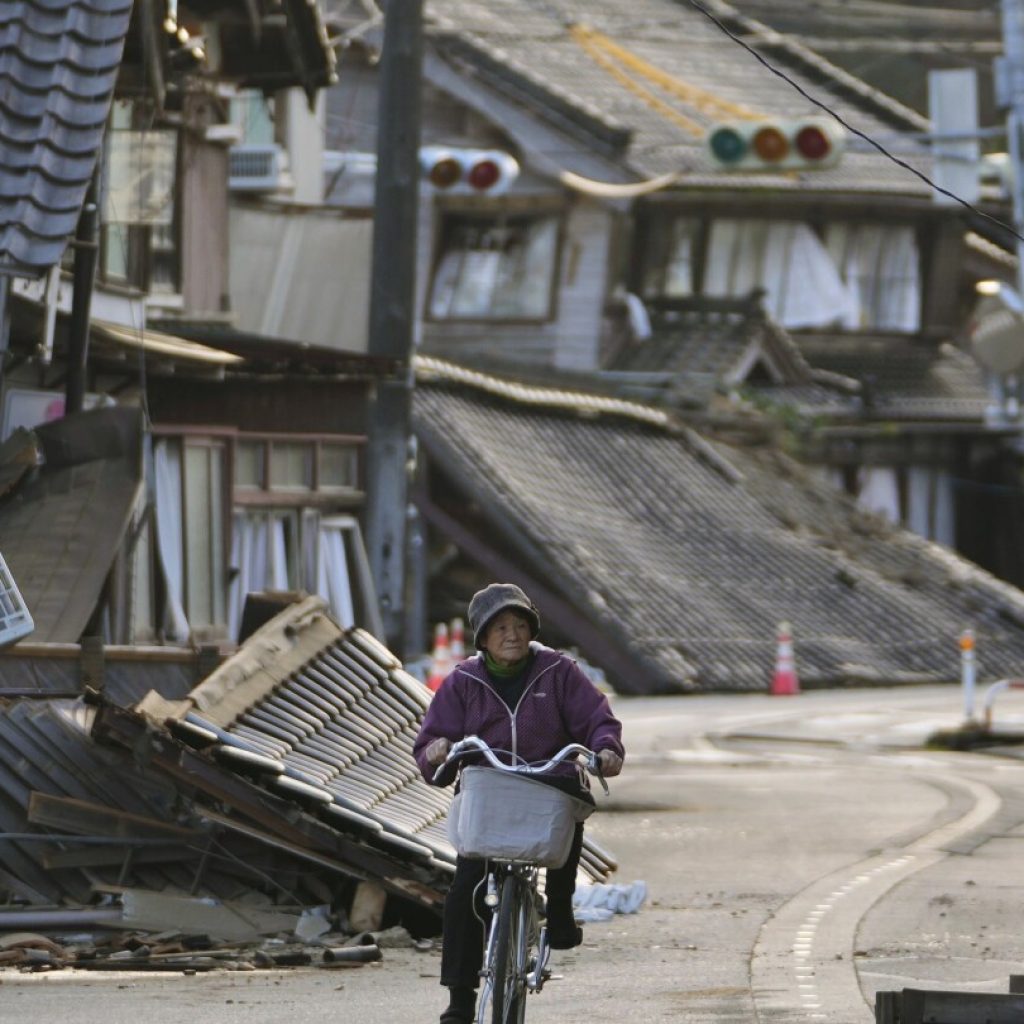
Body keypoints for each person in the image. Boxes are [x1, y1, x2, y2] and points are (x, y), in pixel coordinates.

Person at [413, 583, 625, 1024]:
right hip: (488, 792)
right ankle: (459, 999)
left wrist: (605, 749)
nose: (513, 635)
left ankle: (561, 911)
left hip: (548, 782)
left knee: (567, 818)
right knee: (464, 893)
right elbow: (433, 741)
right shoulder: (464, 682)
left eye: (521, 625)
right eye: (502, 627)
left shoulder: (559, 672)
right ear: (483, 639)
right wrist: (436, 751)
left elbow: (596, 718)